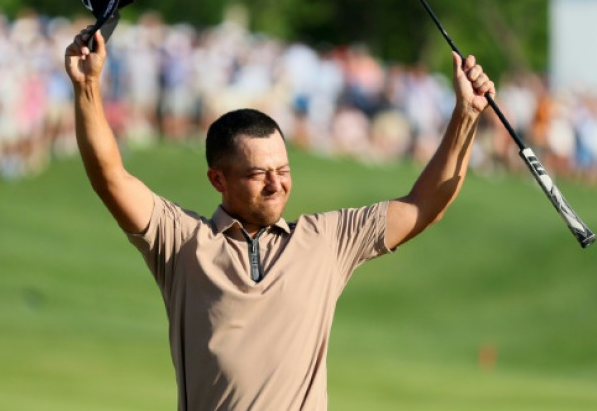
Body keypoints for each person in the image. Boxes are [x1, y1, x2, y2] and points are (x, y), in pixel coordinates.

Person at [65, 26, 496, 410]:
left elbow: (424, 205)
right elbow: (110, 177)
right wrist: (87, 87)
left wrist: (466, 116)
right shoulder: (181, 242)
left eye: (284, 170)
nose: (276, 184)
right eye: (257, 174)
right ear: (218, 179)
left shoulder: (327, 240)